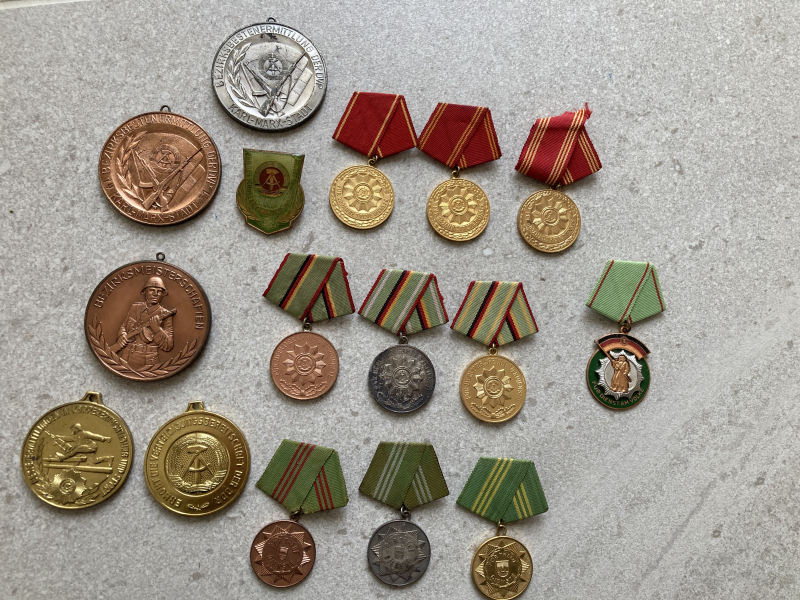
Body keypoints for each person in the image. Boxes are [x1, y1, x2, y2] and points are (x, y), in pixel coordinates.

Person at [115, 277, 175, 370]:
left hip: (148, 360)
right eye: (151, 290)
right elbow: (124, 325)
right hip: (126, 355)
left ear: (162, 294)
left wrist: (157, 329)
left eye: (159, 291)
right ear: (145, 292)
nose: (155, 294)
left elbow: (168, 345)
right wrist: (122, 335)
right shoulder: (135, 307)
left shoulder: (166, 314)